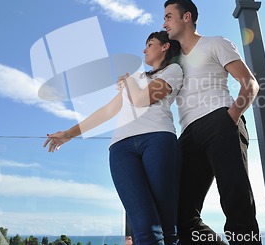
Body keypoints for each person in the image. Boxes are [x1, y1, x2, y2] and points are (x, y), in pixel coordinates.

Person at [44, 31, 183, 245]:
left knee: (166, 227)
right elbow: (107, 111)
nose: (144, 49)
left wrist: (128, 82)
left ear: (165, 47)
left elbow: (141, 100)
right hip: (121, 148)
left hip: (157, 140)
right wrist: (68, 134)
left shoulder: (173, 71)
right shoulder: (136, 78)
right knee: (143, 227)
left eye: (150, 44)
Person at [162, 0, 262, 245]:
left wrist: (231, 117)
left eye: (168, 16)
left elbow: (250, 84)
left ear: (187, 17)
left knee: (236, 201)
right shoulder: (175, 63)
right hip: (188, 133)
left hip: (220, 119)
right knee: (181, 216)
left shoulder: (215, 43)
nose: (164, 23)